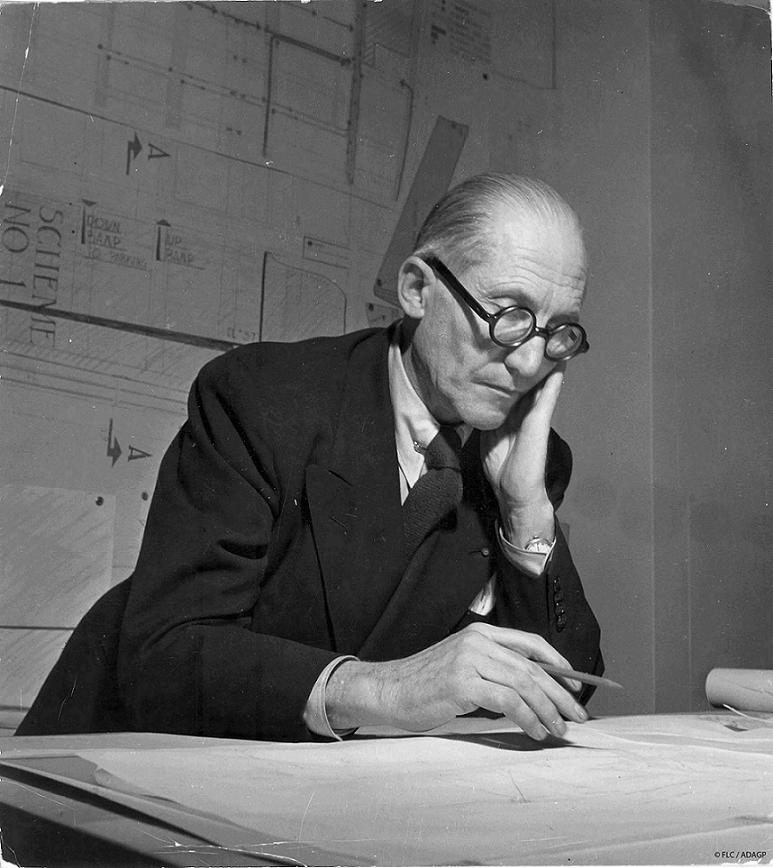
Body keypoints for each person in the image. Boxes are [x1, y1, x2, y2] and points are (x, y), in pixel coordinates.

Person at [18, 173, 602, 742]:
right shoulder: (261, 397)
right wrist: (387, 688)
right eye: (508, 315)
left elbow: (563, 694)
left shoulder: (526, 463)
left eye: (558, 332)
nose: (531, 364)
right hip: (114, 760)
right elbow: (165, 652)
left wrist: (525, 514)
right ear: (417, 290)